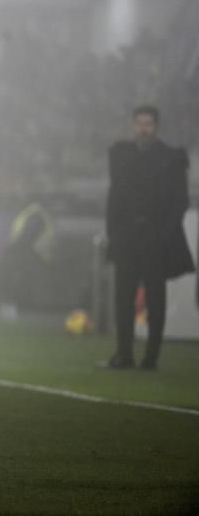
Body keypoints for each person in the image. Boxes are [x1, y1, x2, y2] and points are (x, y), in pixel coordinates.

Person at [104, 105, 193, 370]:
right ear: (134, 125)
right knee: (123, 297)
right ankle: (124, 353)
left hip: (156, 237)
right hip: (127, 237)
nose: (143, 129)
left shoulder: (171, 158)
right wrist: (115, 233)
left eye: (148, 124)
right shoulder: (121, 155)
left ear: (156, 126)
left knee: (156, 298)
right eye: (140, 124)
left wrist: (163, 235)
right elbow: (115, 197)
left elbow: (180, 201)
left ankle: (151, 357)